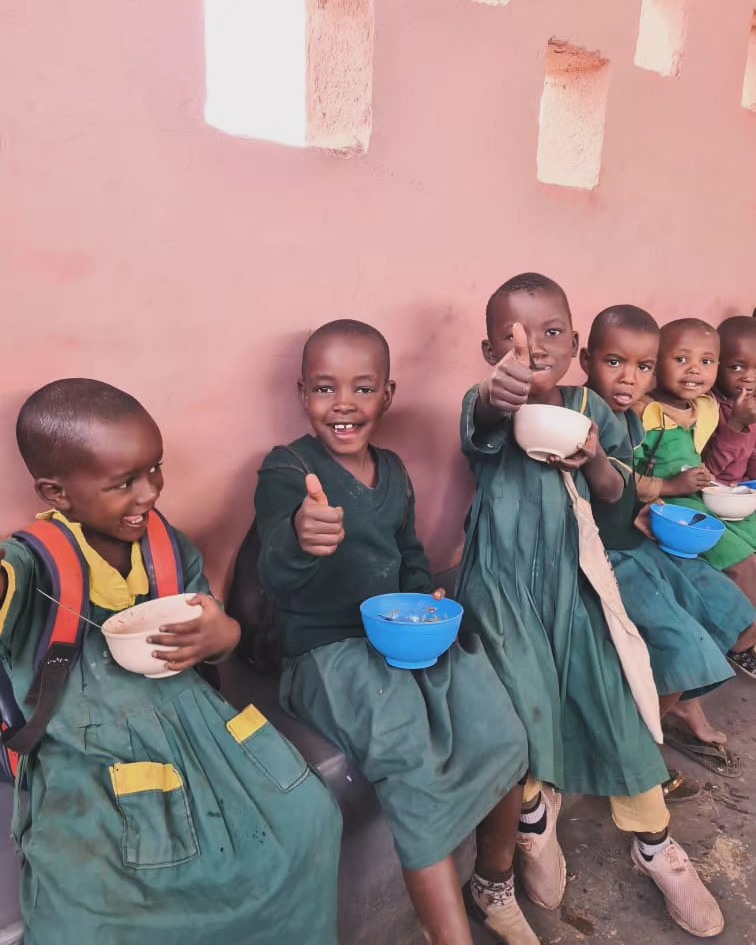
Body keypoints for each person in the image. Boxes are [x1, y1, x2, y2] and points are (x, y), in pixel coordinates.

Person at [0, 379, 342, 945]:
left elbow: (219, 635)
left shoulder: (168, 547)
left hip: (198, 725)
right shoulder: (29, 565)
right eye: (123, 483)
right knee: (90, 906)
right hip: (86, 753)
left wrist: (222, 634)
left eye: (154, 469)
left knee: (308, 820)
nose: (149, 493)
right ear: (56, 492)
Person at [456, 274, 724, 939]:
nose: (534, 348)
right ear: (489, 350)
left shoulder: (591, 407)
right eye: (513, 338)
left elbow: (614, 494)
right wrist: (495, 395)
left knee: (613, 698)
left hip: (574, 582)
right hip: (500, 589)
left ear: (574, 342)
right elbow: (481, 425)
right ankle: (533, 821)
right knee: (523, 700)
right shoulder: (487, 399)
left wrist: (596, 456)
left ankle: (655, 844)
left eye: (551, 332)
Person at [254, 319, 535, 945]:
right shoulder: (288, 470)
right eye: (324, 388)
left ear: (388, 395)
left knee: (501, 727)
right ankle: (447, 935)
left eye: (362, 388)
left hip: (404, 636)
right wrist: (300, 537)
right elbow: (273, 570)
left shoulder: (395, 471)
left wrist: (425, 594)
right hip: (325, 654)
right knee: (411, 760)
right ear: (302, 394)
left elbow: (407, 554)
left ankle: (493, 881)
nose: (343, 404)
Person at [580, 304, 755, 778]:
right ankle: (634, 754)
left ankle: (675, 707)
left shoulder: (636, 419)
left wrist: (652, 502)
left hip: (643, 536)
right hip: (609, 553)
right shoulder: (585, 416)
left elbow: (633, 487)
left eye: (642, 367)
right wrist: (658, 492)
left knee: (732, 611)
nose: (628, 378)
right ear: (586, 360)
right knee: (682, 644)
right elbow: (610, 488)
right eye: (614, 362)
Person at [633, 318, 756, 611]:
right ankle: (747, 629)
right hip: (667, 505)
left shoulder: (704, 409)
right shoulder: (641, 413)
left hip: (700, 497)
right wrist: (672, 486)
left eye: (706, 361)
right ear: (655, 363)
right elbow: (624, 478)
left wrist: (713, 482)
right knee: (742, 561)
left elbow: (707, 465)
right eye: (681, 359)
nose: (694, 369)